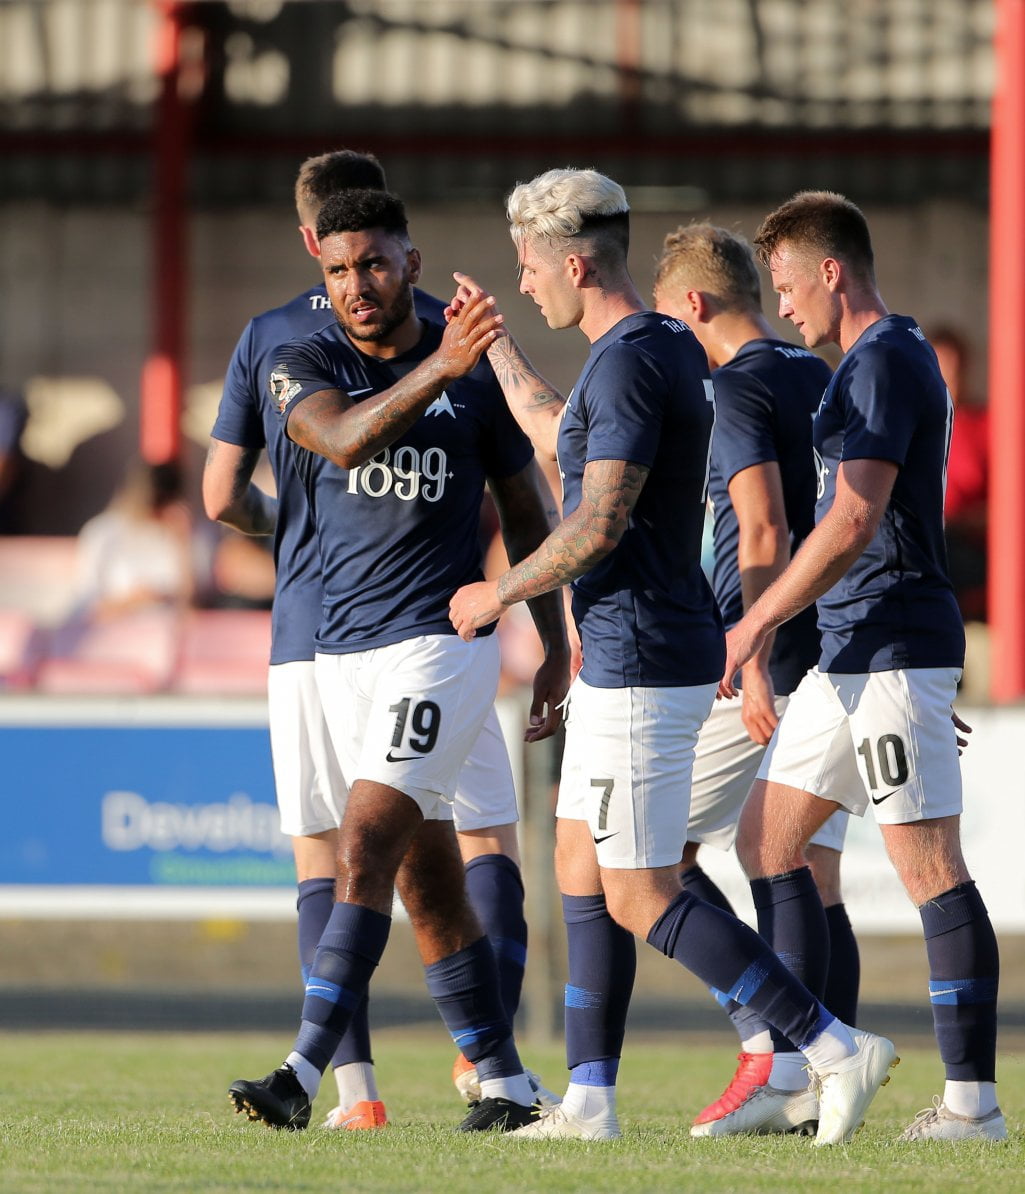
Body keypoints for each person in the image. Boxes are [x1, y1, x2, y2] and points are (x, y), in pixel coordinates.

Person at [448, 167, 895, 1146]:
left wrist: (500, 591)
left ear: (573, 261)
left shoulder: (628, 361)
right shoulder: (645, 351)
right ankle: (592, 1100)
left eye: (528, 268)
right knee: (579, 860)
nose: (523, 283)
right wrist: (497, 355)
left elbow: (598, 520)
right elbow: (563, 439)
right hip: (632, 649)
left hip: (642, 656)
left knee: (643, 888)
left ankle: (822, 1046)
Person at [206, 153, 566, 1129]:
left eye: (373, 265)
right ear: (318, 270)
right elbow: (336, 440)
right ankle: (502, 1080)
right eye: (339, 271)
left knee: (359, 853)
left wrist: (555, 645)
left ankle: (305, 1075)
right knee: (428, 881)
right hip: (336, 657)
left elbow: (526, 511)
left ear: (409, 260)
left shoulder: (469, 365)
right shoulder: (300, 354)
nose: (356, 287)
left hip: (438, 648)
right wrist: (442, 368)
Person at [720, 190, 1003, 1142]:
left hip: (886, 649)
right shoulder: (870, 363)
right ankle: (815, 1065)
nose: (785, 305)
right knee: (765, 842)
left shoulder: (884, 359)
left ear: (831, 270)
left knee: (926, 867)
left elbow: (853, 517)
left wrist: (754, 619)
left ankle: (972, 1105)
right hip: (852, 654)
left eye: (790, 284)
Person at [653, 222, 861, 1137]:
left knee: (648, 856)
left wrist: (756, 663)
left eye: (668, 319)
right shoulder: (816, 375)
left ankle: (781, 1052)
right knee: (812, 875)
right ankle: (830, 1075)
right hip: (840, 650)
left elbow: (764, 531)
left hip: (760, 661)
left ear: (693, 306)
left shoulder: (733, 384)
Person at [930, 325, 989, 625]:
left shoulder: (986, 425)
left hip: (969, 550)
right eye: (941, 369)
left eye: (954, 368)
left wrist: (961, 521)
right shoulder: (915, 430)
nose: (949, 379)